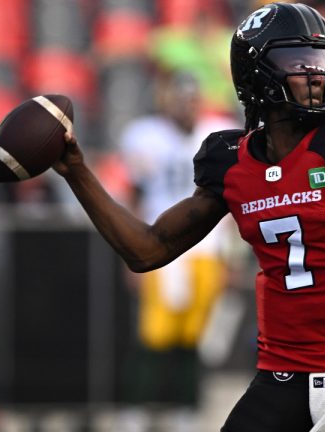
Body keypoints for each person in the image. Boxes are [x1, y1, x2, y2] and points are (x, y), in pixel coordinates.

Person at [51, 3, 325, 431]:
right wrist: (77, 171)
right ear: (257, 73)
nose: (318, 74)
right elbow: (147, 250)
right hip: (285, 371)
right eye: (300, 62)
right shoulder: (231, 162)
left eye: (322, 59)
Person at [116, 70, 238, 426]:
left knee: (194, 336)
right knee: (155, 334)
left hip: (208, 249)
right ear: (165, 100)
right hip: (163, 245)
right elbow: (134, 196)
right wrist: (129, 253)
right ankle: (136, 411)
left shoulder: (217, 133)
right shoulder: (145, 136)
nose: (186, 106)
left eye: (191, 98)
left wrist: (231, 257)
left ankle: (186, 412)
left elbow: (234, 203)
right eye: (179, 98)